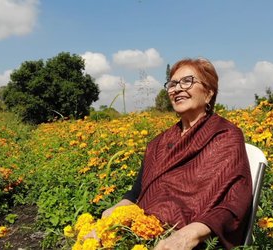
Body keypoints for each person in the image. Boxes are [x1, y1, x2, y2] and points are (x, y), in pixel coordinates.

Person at [87, 58, 252, 250]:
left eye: (187, 81)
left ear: (208, 93)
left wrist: (191, 234)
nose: (177, 89)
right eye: (172, 84)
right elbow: (137, 192)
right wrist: (115, 212)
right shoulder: (158, 144)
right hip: (143, 231)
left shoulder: (225, 136)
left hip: (194, 240)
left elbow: (235, 201)